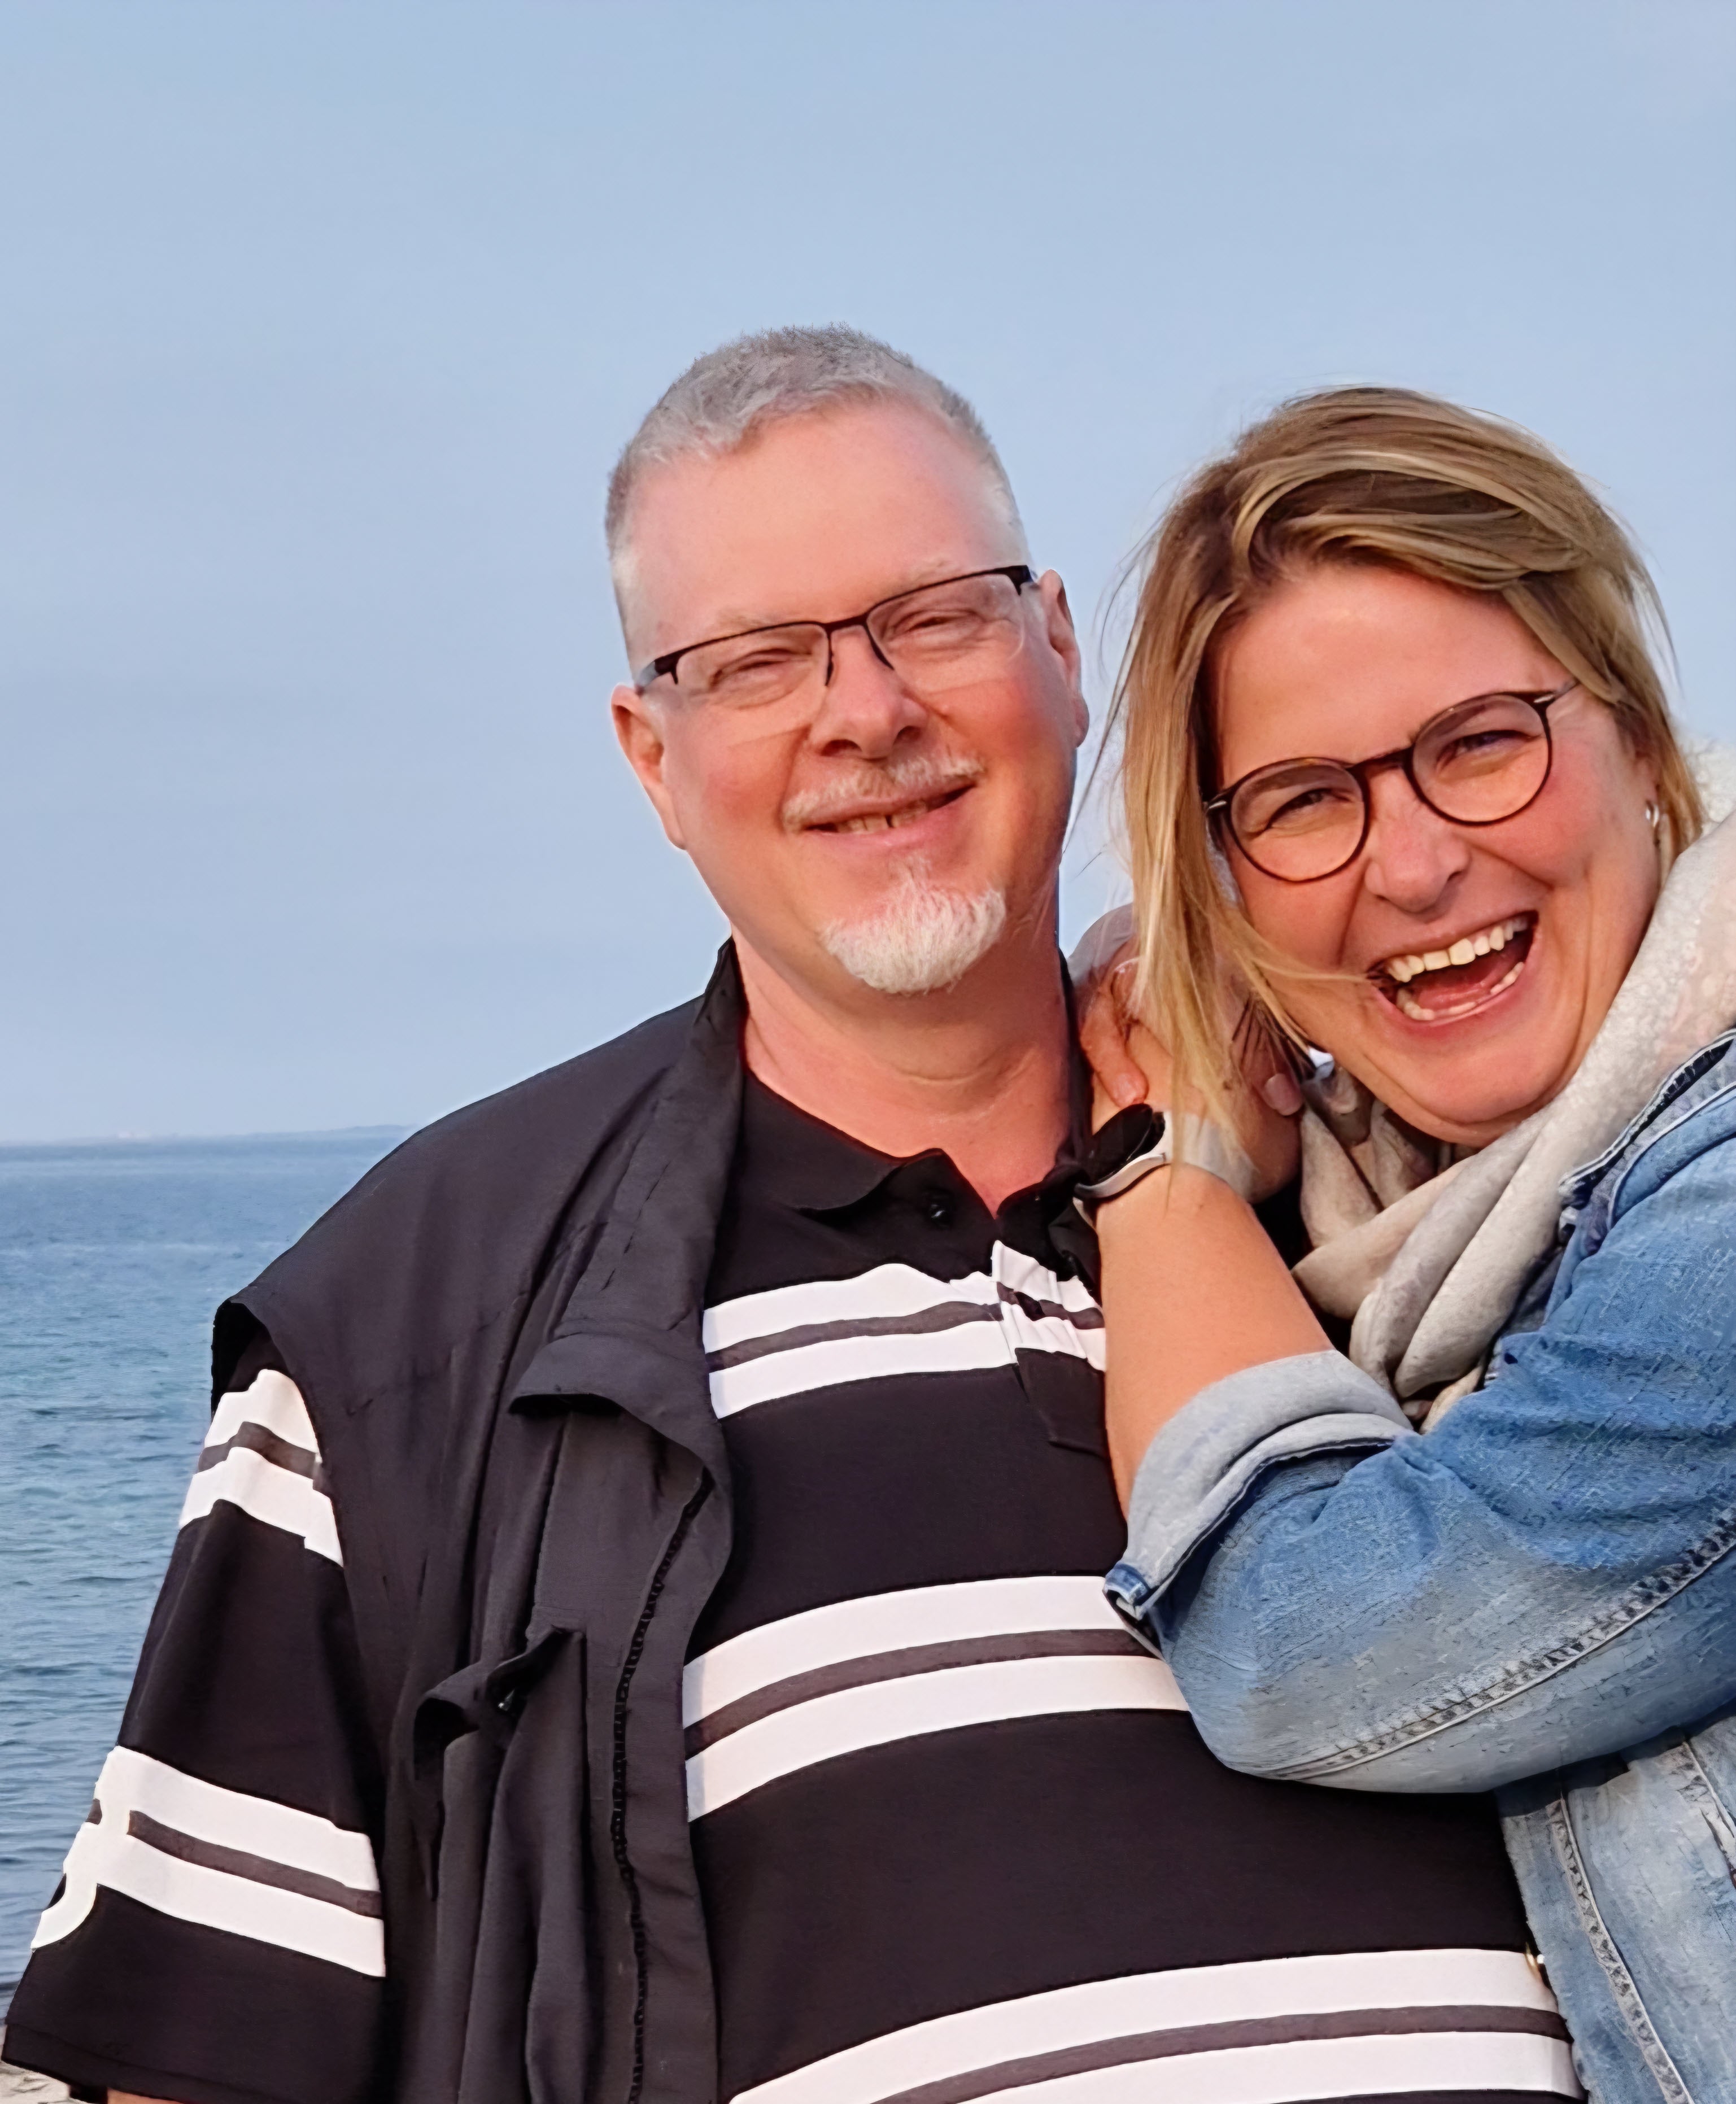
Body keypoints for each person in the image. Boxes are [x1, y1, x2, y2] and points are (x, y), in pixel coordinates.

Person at [7, 334, 1577, 2104]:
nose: (865, 711)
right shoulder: (404, 1338)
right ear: (650, 757)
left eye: (934, 615)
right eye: (755, 662)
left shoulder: (1423, 1184)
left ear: (1058, 651)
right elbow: (182, 2062)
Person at [1086, 386, 1736, 2104]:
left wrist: (1156, 1165)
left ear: (1637, 742)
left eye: (1479, 742)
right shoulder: (1433, 1254)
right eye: (1304, 800)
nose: (1417, 861)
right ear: (1222, 885)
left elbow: (1311, 1645)